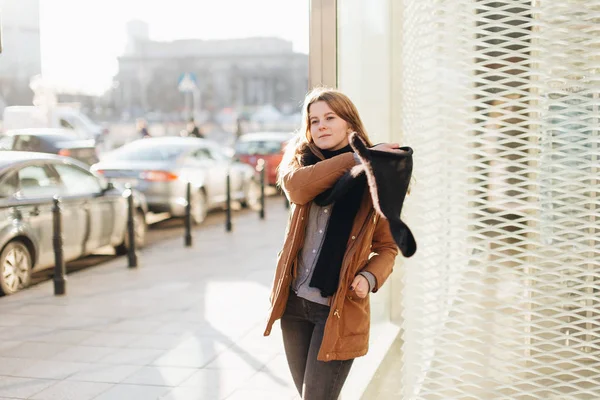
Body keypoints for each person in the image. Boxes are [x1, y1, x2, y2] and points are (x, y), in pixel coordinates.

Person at [264, 87, 403, 399]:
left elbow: (387, 246)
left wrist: (368, 278)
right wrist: (354, 159)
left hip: (338, 310)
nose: (321, 125)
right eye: (314, 121)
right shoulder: (300, 165)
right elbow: (298, 190)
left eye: (330, 117)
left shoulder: (376, 177)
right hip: (295, 305)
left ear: (350, 125)